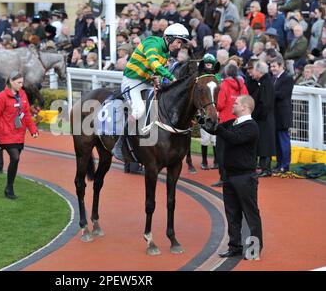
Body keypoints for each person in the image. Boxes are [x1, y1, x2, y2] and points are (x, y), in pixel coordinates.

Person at [112, 23, 190, 161]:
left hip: (146, 83)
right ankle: (119, 144)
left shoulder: (165, 53)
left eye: (181, 44)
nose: (179, 46)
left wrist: (157, 78)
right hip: (132, 82)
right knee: (139, 111)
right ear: (169, 38)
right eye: (178, 42)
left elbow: (155, 71)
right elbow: (154, 63)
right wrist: (171, 77)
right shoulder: (152, 42)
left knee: (160, 106)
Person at [205, 95, 262, 260]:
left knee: (251, 214)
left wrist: (219, 128)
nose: (233, 104)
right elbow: (214, 129)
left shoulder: (252, 127)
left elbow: (234, 138)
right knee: (232, 213)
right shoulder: (232, 123)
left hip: (245, 177)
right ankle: (234, 247)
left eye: (236, 103)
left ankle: (254, 250)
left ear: (244, 107)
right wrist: (202, 121)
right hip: (230, 176)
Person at [0, 71, 39, 199]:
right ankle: (9, 188)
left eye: (22, 82)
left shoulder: (22, 95)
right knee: (15, 158)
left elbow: (26, 113)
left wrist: (33, 130)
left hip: (19, 134)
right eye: (19, 83)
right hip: (5, 134)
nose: (21, 85)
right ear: (11, 82)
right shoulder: (1, 97)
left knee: (15, 161)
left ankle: (9, 186)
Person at [212, 64, 249, 187]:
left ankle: (224, 177)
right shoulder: (242, 85)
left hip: (225, 121)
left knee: (221, 151)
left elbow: (220, 105)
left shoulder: (224, 85)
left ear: (226, 73)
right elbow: (247, 100)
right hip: (240, 120)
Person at [248, 61, 276, 177]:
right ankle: (264, 167)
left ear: (259, 71)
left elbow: (265, 103)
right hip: (263, 118)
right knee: (262, 143)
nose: (252, 72)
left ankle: (266, 169)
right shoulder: (262, 82)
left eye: (254, 69)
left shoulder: (266, 83)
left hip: (264, 119)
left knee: (265, 144)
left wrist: (256, 115)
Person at [270, 57, 294, 174]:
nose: (272, 69)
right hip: (274, 114)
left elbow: (282, 94)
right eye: (271, 66)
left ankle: (285, 165)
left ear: (281, 66)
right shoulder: (273, 78)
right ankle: (279, 164)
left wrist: (269, 93)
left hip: (283, 115)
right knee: (277, 142)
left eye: (274, 66)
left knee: (283, 140)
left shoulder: (288, 78)